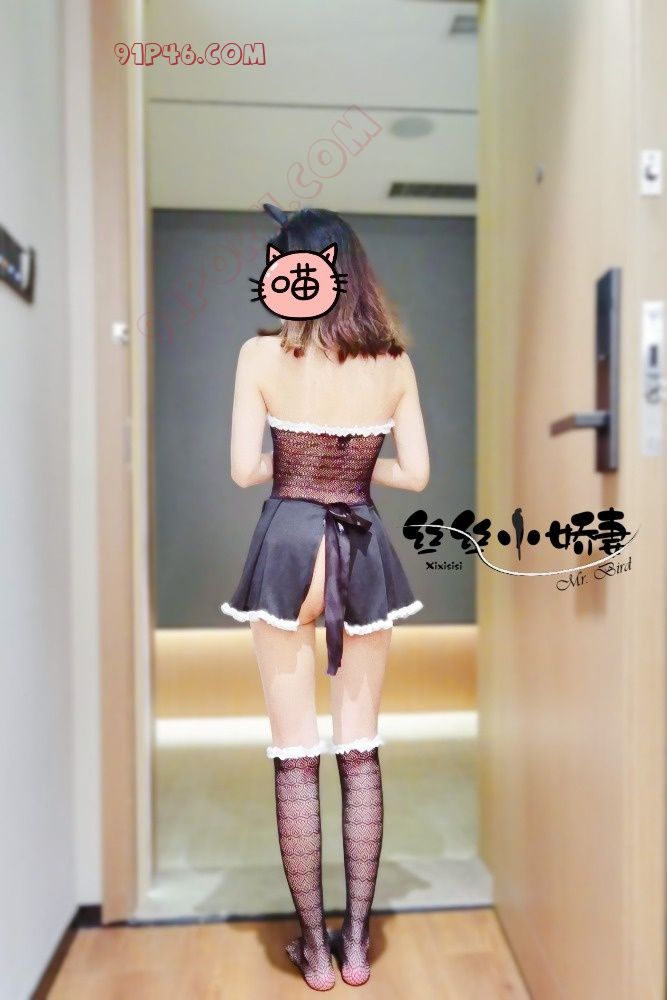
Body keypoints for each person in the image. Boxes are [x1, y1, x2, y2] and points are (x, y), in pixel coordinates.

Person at [220, 206, 430, 990]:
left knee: (295, 755)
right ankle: (357, 949)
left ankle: (313, 951)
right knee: (359, 748)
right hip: (361, 548)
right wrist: (355, 464)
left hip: (285, 547)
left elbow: (244, 469)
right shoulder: (393, 362)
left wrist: (298, 462)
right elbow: (415, 475)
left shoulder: (259, 355)